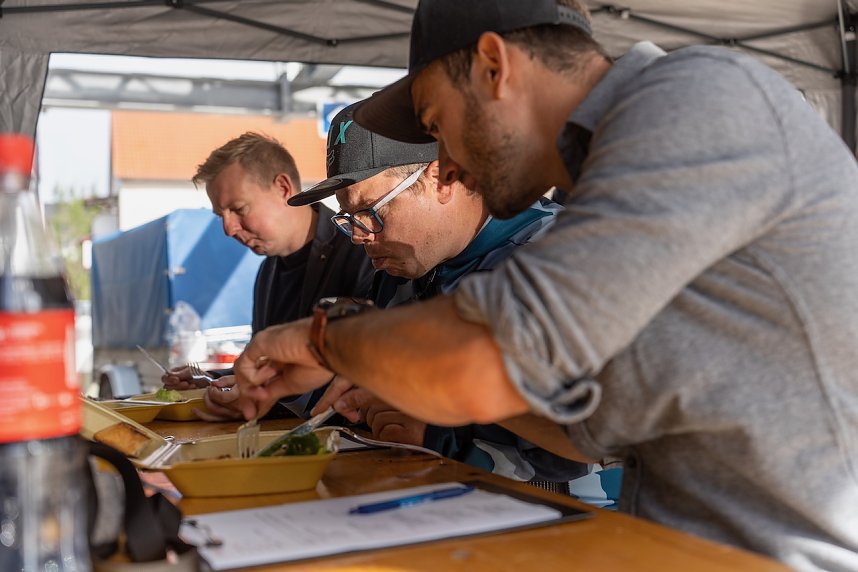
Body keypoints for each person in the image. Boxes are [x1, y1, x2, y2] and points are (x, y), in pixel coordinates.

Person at [234, 1, 858, 570]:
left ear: (492, 67)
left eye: (437, 122)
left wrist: (324, 343)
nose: (446, 163)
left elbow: (486, 358)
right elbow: (591, 421)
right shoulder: (614, 181)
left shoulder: (697, 99)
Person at [285, 103, 582, 485]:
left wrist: (438, 440)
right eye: (348, 219)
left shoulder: (557, 258)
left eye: (370, 211)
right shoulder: (407, 266)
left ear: (442, 179)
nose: (360, 236)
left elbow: (587, 452)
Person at [162, 132, 373, 419]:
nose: (228, 228)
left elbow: (367, 369)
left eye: (238, 209)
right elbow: (273, 367)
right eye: (220, 215)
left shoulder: (360, 251)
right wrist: (214, 378)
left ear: (283, 187)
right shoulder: (268, 270)